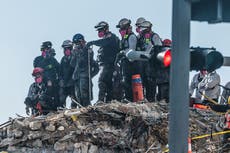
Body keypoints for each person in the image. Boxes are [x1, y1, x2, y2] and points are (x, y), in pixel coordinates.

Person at [86, 21, 120, 102]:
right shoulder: (106, 39)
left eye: (100, 30)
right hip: (106, 65)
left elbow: (104, 42)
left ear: (105, 29)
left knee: (101, 81)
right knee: (108, 84)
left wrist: (93, 42)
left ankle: (100, 100)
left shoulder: (111, 37)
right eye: (98, 31)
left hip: (109, 65)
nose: (99, 32)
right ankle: (108, 101)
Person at [71, 33, 99, 107]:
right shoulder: (75, 52)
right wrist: (74, 54)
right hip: (77, 76)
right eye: (75, 44)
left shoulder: (88, 51)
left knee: (84, 95)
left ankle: (87, 108)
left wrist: (90, 76)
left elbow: (84, 62)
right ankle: (81, 109)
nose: (76, 45)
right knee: (78, 95)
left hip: (84, 76)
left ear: (81, 42)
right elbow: (72, 64)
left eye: (77, 43)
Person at [138, 20, 163, 102]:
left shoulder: (154, 36)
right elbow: (146, 47)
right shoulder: (145, 38)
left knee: (151, 82)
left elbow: (158, 49)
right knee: (144, 81)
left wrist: (152, 57)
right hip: (145, 62)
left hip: (152, 64)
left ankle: (151, 100)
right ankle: (146, 99)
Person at [116, 18, 137, 102]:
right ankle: (127, 97)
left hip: (131, 63)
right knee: (124, 80)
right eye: (120, 29)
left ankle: (130, 99)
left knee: (128, 81)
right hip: (125, 62)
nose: (121, 31)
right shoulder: (125, 37)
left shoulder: (132, 36)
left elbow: (132, 49)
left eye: (123, 29)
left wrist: (122, 52)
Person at [33, 41, 60, 106]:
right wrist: (45, 60)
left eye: (49, 49)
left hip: (53, 82)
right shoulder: (38, 59)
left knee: (57, 97)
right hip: (42, 82)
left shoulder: (53, 59)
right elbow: (36, 68)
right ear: (42, 49)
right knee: (39, 96)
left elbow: (59, 69)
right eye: (46, 49)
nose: (47, 50)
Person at [59, 40, 75, 107]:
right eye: (64, 49)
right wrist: (61, 80)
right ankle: (62, 112)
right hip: (64, 84)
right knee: (61, 100)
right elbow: (60, 71)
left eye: (67, 48)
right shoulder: (63, 59)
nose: (65, 50)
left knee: (75, 99)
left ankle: (74, 112)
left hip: (73, 83)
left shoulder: (75, 57)